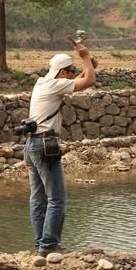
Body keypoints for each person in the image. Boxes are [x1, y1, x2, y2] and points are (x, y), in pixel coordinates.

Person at [24, 44, 97, 257]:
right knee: (57, 199)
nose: (72, 75)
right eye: (70, 71)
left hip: (30, 145)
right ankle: (49, 246)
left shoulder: (42, 83)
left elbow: (81, 78)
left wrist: (88, 65)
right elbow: (88, 81)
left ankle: (41, 245)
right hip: (45, 146)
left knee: (38, 199)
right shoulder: (55, 85)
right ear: (62, 72)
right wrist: (85, 57)